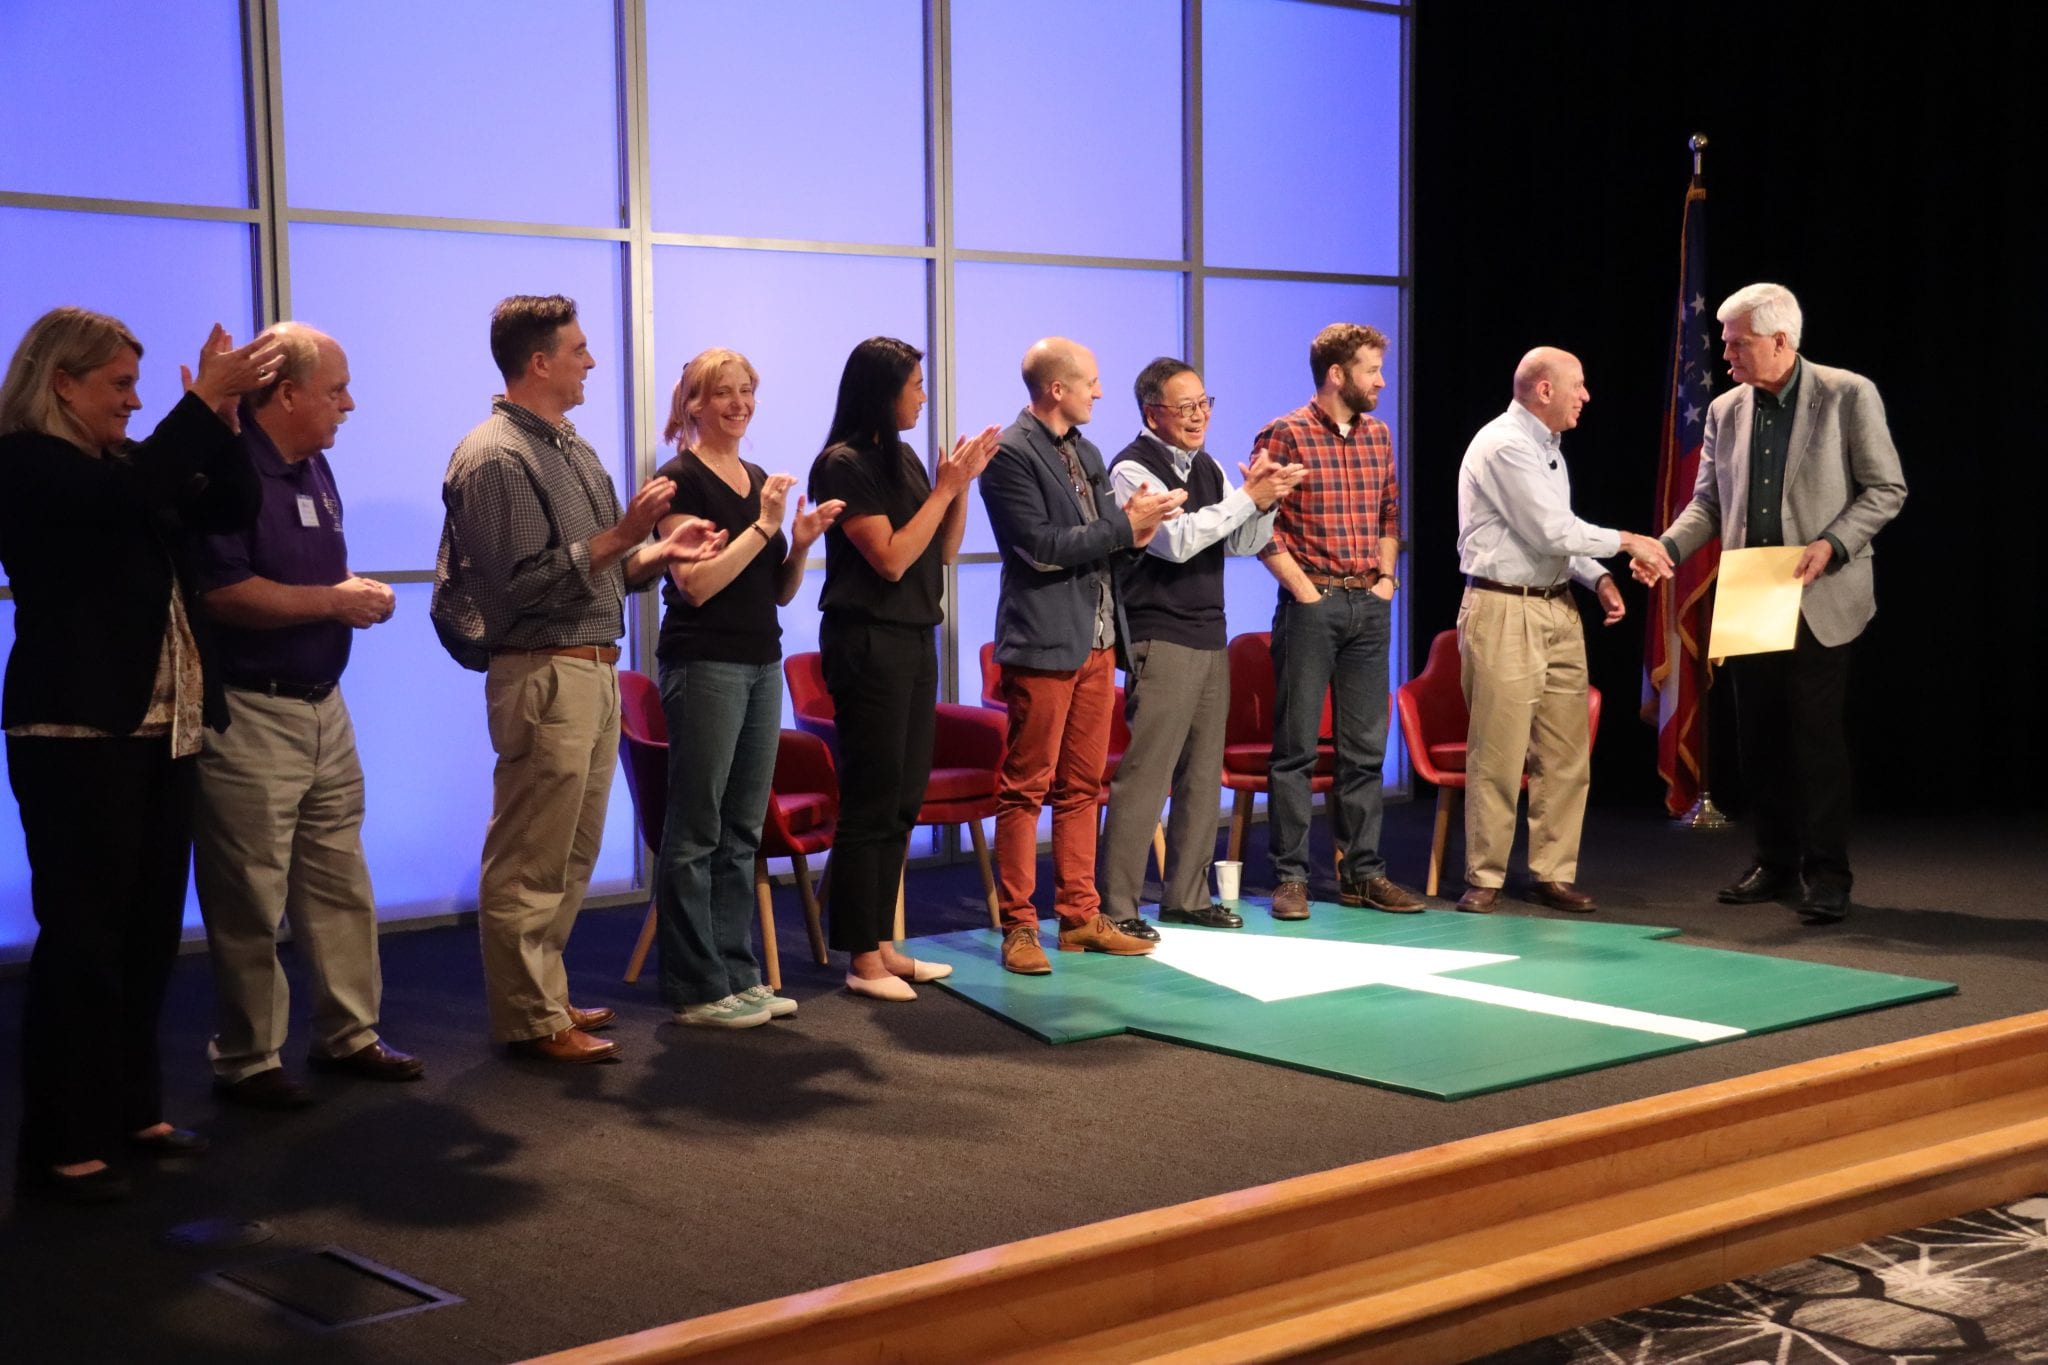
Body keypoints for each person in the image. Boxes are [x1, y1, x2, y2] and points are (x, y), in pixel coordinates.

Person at [0, 307, 279, 1202]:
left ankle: (132, 1107)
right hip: (77, 733)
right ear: (61, 384)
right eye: (118, 385)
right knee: (84, 939)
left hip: (165, 729)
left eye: (137, 384)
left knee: (150, 931)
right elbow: (108, 508)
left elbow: (231, 505)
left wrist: (224, 421)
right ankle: (62, 1138)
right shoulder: (26, 464)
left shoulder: (129, 463)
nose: (132, 401)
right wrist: (200, 403)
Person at [432, 295, 723, 1062]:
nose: (591, 361)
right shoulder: (496, 454)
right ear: (539, 362)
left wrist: (658, 553)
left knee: (570, 851)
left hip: (590, 665)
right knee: (531, 853)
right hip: (544, 669)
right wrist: (626, 535)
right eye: (580, 349)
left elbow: (603, 573)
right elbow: (521, 585)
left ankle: (548, 998)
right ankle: (528, 1017)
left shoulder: (568, 447)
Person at [190, 322, 423, 1111]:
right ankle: (250, 1057)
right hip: (253, 712)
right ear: (286, 394)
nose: (349, 404)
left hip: (326, 706)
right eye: (336, 390)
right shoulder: (228, 471)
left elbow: (303, 570)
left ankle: (348, 1033)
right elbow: (224, 595)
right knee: (249, 893)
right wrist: (334, 601)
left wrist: (349, 590)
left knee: (338, 878)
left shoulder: (314, 465)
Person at [1639, 283, 1905, 924]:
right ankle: (1775, 861)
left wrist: (1832, 543)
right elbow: (1707, 502)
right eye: (1726, 343)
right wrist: (1666, 548)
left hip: (1818, 589)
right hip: (1752, 589)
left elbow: (1885, 487)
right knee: (1758, 738)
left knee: (1816, 738)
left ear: (1781, 341)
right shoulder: (1728, 408)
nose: (1726, 355)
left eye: (1738, 344)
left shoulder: (1847, 393)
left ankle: (1828, 873)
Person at [650, 348, 841, 1028]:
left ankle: (738, 974)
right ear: (694, 403)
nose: (739, 403)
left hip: (761, 660)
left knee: (740, 828)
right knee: (698, 827)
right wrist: (763, 525)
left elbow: (775, 591)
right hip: (704, 664)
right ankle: (697, 986)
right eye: (724, 393)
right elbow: (694, 583)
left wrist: (799, 542)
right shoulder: (677, 480)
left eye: (747, 391)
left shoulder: (756, 475)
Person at [981, 337, 1184, 975]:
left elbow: (1104, 537)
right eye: (1091, 383)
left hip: (1097, 641)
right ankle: (1018, 926)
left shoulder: (1087, 451)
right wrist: (1127, 526)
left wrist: (1140, 523)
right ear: (1056, 389)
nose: (1100, 393)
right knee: (1025, 788)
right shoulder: (1009, 455)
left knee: (1079, 788)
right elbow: (1041, 546)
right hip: (1043, 643)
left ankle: (1078, 916)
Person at [807, 336, 997, 1002]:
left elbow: (940, 550)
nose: (922, 395)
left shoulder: (909, 456)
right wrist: (943, 488)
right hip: (867, 640)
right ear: (885, 391)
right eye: (915, 385)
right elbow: (889, 556)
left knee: (904, 796)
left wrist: (958, 489)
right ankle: (861, 956)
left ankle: (883, 944)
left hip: (916, 638)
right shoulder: (841, 464)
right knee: (871, 796)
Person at [1453, 347, 1673, 914]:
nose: (1587, 396)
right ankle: (1486, 875)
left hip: (1555, 609)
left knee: (1565, 751)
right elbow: (1551, 529)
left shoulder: (1549, 449)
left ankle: (1552, 870)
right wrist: (1628, 542)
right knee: (1499, 751)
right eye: (1578, 385)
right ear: (1544, 390)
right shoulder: (1503, 444)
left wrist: (1597, 578)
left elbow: (1552, 541)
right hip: (1505, 610)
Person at [1099, 357, 1302, 932]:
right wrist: (1246, 497)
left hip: (1210, 632)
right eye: (1184, 407)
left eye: (1204, 404)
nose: (1198, 416)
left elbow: (1236, 542)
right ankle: (1116, 908)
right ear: (1151, 413)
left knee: (1200, 775)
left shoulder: (1207, 466)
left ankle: (1185, 896)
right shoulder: (1132, 470)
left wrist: (1266, 502)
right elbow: (1178, 541)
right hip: (1160, 637)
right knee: (1146, 776)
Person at [1255, 323, 1421, 920]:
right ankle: (1291, 878)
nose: (1381, 381)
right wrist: (1304, 592)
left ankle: (1363, 875)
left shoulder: (1378, 435)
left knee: (1364, 751)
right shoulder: (1286, 434)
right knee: (1296, 749)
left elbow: (1389, 512)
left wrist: (1385, 583)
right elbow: (1259, 525)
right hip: (1312, 607)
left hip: (1367, 607)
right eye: (1372, 370)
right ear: (1336, 375)